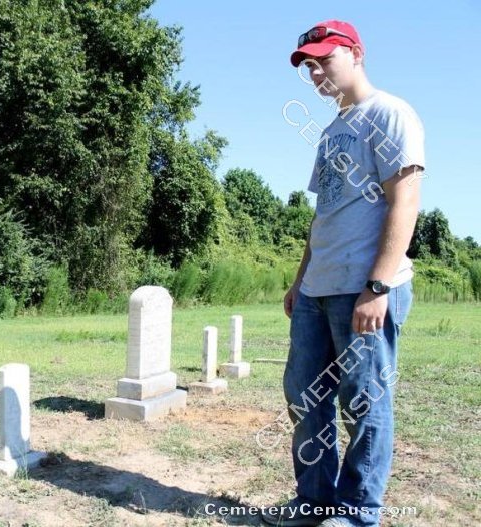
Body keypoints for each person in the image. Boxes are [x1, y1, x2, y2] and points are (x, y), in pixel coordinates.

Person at [261, 20, 425, 527]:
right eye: (308, 64)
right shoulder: (333, 130)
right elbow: (324, 214)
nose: (315, 71)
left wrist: (378, 285)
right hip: (317, 291)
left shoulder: (391, 113)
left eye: (324, 59)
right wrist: (298, 280)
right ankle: (314, 502)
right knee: (304, 400)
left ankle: (357, 514)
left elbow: (406, 201)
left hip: (365, 288)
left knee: (363, 403)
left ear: (355, 53)